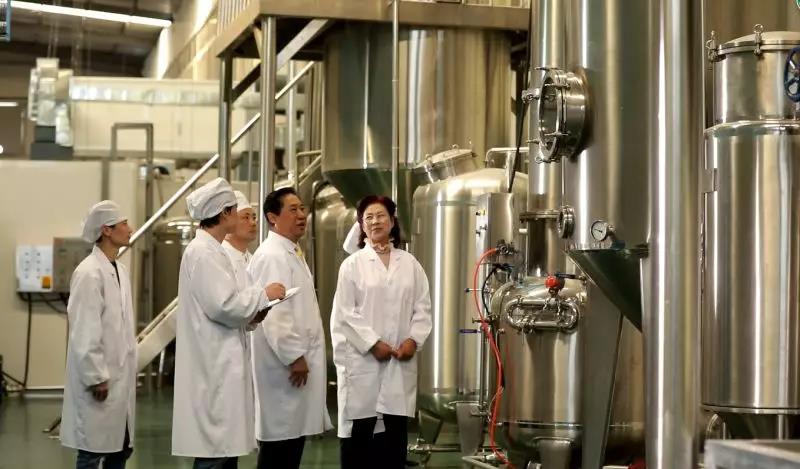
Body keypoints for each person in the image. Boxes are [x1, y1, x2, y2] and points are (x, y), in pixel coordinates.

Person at [171, 178, 285, 469]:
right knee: (215, 456)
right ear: (224, 214)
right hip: (214, 371)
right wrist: (264, 295)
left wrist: (252, 316)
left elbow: (227, 307)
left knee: (223, 454)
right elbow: (223, 305)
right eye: (236, 210)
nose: (241, 215)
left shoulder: (214, 250)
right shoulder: (203, 253)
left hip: (221, 366)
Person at [331, 195, 433, 469]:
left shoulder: (410, 264)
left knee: (395, 439)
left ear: (392, 221)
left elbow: (422, 307)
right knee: (360, 437)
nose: (375, 221)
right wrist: (373, 343)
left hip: (400, 361)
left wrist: (413, 340)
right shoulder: (352, 265)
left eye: (381, 215)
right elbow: (346, 312)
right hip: (364, 362)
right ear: (362, 225)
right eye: (369, 217)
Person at [248, 187, 333, 469]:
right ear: (272, 217)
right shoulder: (272, 255)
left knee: (290, 443)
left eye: (302, 209)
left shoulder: (290, 251)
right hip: (283, 368)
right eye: (292, 210)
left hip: (291, 368)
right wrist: (294, 356)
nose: (301, 215)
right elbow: (275, 313)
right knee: (279, 446)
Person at [61, 200, 137, 469]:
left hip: (120, 380)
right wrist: (96, 376)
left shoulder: (120, 271)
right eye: (124, 223)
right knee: (92, 453)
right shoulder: (88, 273)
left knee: (120, 449)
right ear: (106, 230)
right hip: (100, 381)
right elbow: (85, 329)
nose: (130, 229)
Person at [221, 191, 257, 287]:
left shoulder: (253, 259)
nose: (253, 223)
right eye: (246, 217)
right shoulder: (220, 256)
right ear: (230, 220)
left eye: (254, 217)